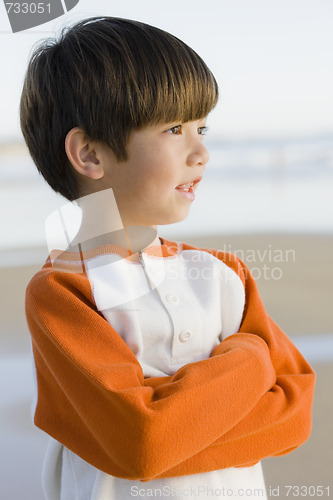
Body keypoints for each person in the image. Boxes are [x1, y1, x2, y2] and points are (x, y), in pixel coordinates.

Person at [21, 17, 315, 500]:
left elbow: (295, 415)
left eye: (202, 127)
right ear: (90, 154)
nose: (201, 152)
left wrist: (170, 410)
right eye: (174, 128)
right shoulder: (65, 291)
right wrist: (250, 358)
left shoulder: (224, 273)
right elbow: (142, 443)